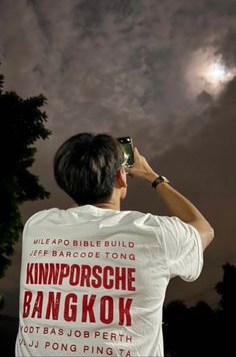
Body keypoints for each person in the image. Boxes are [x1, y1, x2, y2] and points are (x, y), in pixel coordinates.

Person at [15, 133, 214, 357]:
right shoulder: (154, 234)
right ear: (121, 177)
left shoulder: (38, 226)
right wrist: (152, 176)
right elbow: (204, 229)